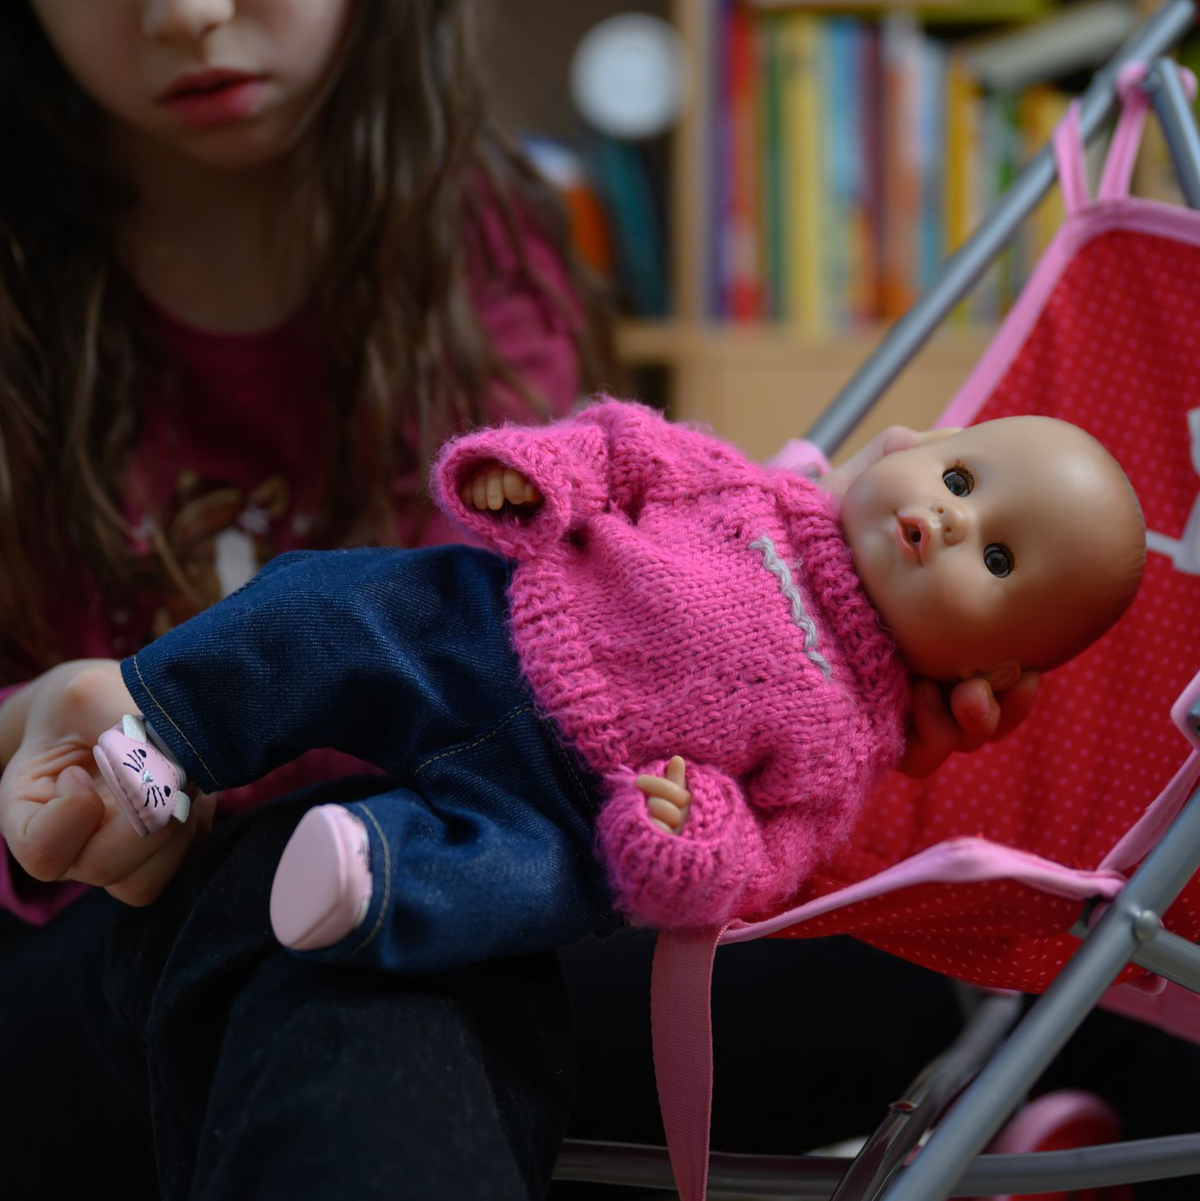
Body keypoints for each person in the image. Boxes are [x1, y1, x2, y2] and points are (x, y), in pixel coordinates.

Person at [0, 2, 1038, 1198]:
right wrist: (37, 721)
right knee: (341, 915)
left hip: (459, 864)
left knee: (883, 958)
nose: (189, 13)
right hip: (81, 983)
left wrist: (838, 601)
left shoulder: (495, 249)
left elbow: (596, 652)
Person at [38, 401, 1143, 975]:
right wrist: (542, 473)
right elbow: (628, 451)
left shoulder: (851, 741)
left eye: (995, 561)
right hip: (483, 626)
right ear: (920, 445)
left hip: (563, 798)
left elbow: (770, 852)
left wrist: (693, 832)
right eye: (959, 477)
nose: (949, 519)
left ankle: (366, 882)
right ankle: (172, 738)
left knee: (539, 886)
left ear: (989, 675)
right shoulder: (751, 489)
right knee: (322, 606)